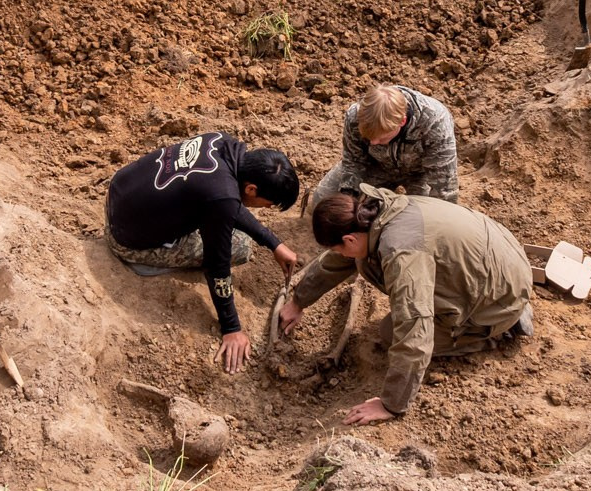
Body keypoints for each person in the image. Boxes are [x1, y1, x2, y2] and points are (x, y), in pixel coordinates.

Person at [282, 187, 533, 425]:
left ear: (348, 238)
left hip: (500, 295)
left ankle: (496, 330)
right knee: (363, 261)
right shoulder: (377, 213)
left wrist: (390, 404)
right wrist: (298, 301)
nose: (343, 254)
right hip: (501, 255)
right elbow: (336, 260)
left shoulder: (401, 253)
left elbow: (415, 330)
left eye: (341, 247)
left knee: (392, 333)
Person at [105, 133, 299, 374]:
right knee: (239, 247)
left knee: (218, 214)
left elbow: (225, 200)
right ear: (251, 188)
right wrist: (231, 328)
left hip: (120, 196)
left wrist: (273, 242)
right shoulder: (222, 197)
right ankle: (147, 261)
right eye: (268, 204)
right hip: (127, 239)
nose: (265, 209)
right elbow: (216, 264)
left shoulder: (222, 143)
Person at [309, 83, 459, 211]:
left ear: (402, 121)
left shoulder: (435, 123)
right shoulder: (355, 116)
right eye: (369, 138)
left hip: (420, 174)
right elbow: (354, 161)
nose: (373, 143)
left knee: (414, 222)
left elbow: (445, 190)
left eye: (382, 138)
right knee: (322, 205)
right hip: (375, 166)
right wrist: (349, 198)